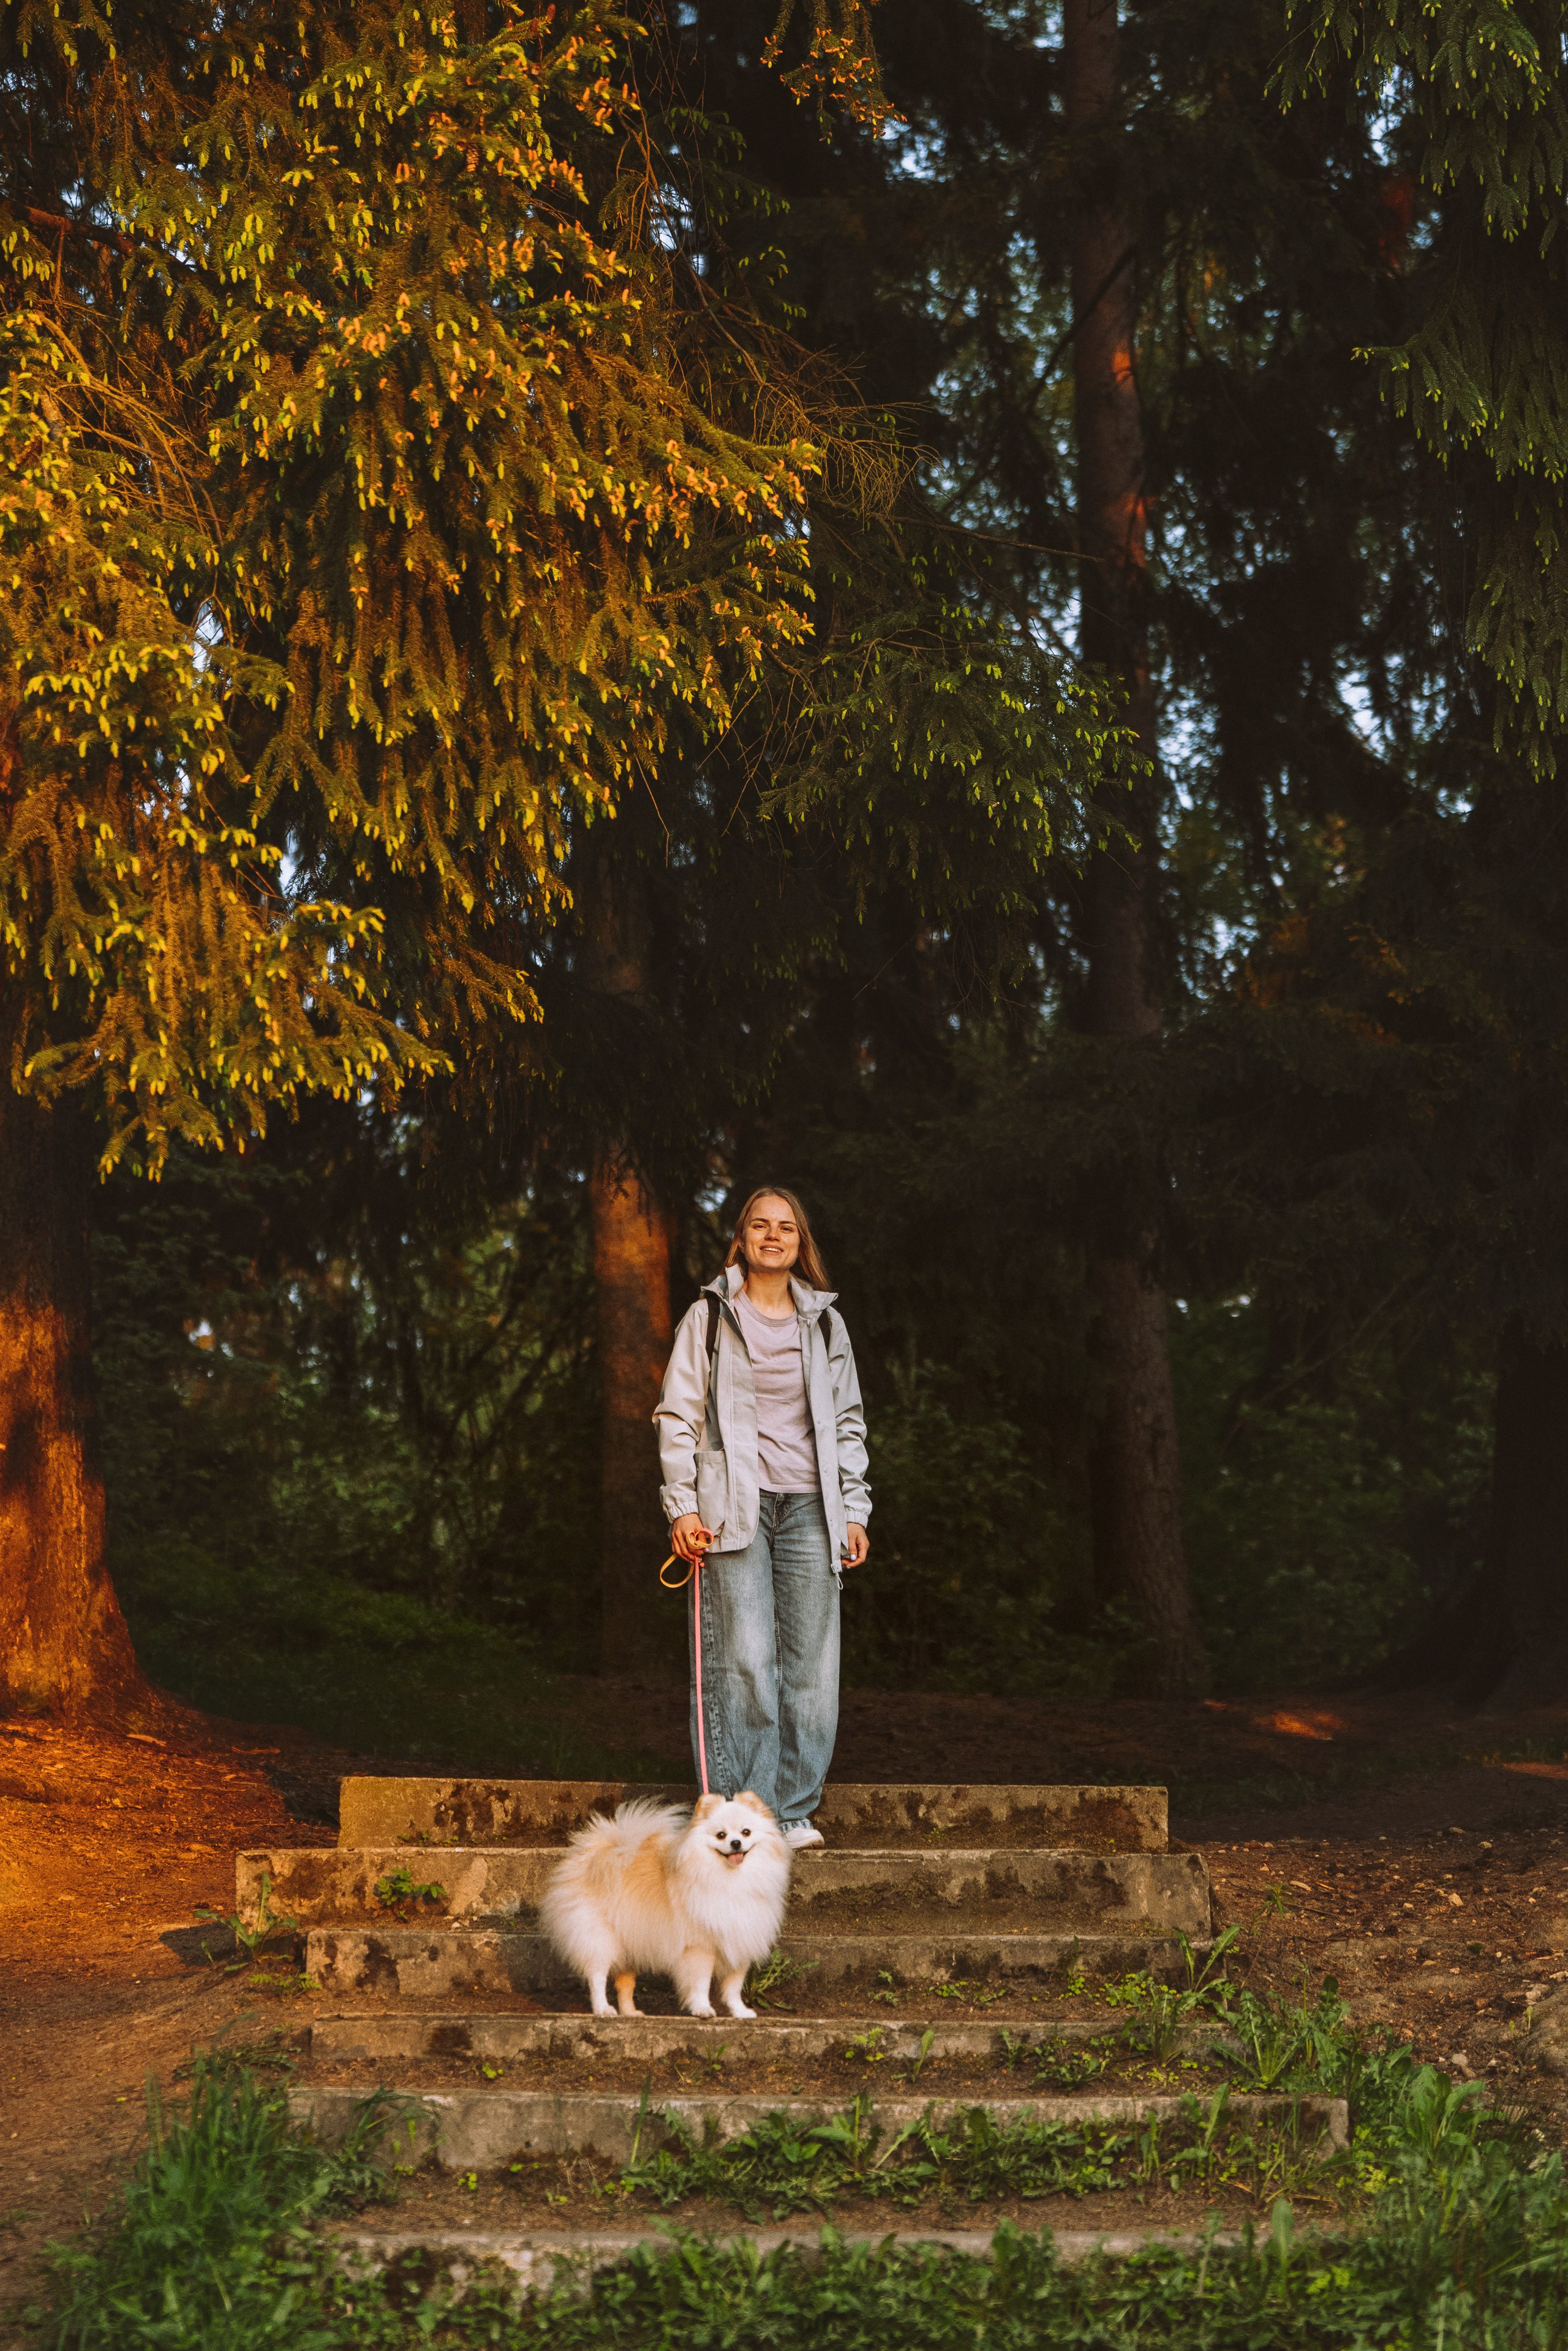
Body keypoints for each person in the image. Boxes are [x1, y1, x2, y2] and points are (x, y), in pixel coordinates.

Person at [652, 1187, 870, 1851]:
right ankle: (747, 1812)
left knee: (811, 1666)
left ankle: (795, 1812)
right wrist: (683, 1505)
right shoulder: (710, 1317)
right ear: (742, 1238)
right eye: (760, 1226)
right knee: (745, 1660)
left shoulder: (826, 1324)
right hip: (732, 1509)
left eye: (786, 1228)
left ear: (800, 1244)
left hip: (812, 1508)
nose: (773, 1236)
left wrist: (854, 1508)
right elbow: (677, 1414)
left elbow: (849, 1420)